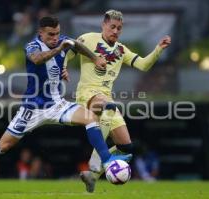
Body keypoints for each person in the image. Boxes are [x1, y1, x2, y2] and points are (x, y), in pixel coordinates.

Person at [0, 16, 131, 192]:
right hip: (32, 109)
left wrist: (93, 58)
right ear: (40, 33)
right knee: (3, 146)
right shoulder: (32, 46)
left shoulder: (63, 41)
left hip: (56, 105)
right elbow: (37, 59)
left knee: (90, 117)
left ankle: (107, 160)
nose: (55, 38)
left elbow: (77, 45)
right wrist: (60, 48)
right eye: (51, 34)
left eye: (57, 34)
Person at [64, 10, 171, 192]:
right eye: (112, 27)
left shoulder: (121, 50)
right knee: (107, 106)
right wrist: (64, 67)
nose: (115, 31)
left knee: (126, 148)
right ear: (103, 25)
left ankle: (92, 175)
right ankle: (96, 162)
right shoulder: (88, 38)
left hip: (107, 99)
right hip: (88, 93)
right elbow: (68, 51)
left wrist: (158, 49)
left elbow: (143, 65)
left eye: (119, 28)